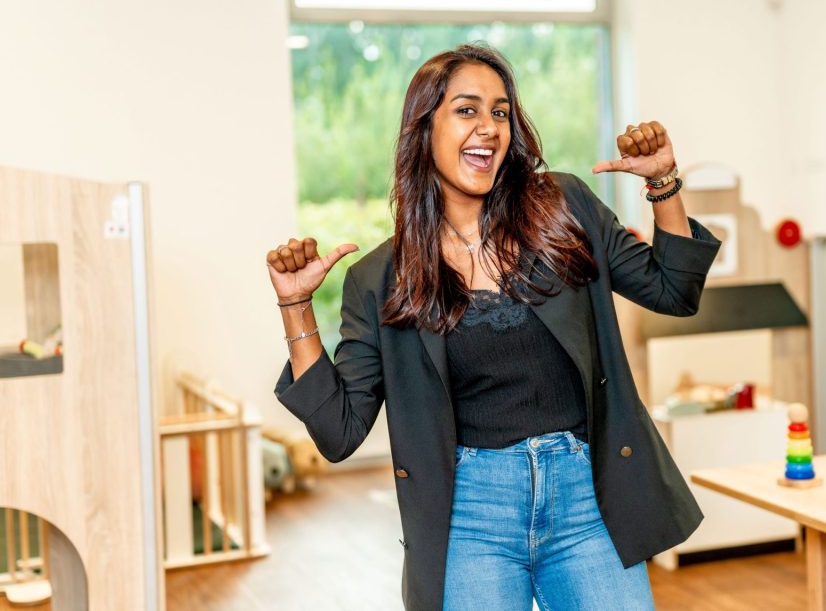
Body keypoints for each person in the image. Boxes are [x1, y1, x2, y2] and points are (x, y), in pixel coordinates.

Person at [266, 44, 721, 611]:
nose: (488, 127)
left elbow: (674, 291)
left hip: (587, 500)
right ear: (423, 128)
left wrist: (664, 184)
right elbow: (339, 434)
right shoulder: (380, 277)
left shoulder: (564, 209)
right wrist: (296, 307)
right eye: (467, 110)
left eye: (500, 112)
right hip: (471, 518)